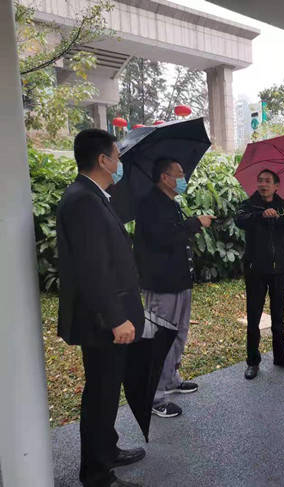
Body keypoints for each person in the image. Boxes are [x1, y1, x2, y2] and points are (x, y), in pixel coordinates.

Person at [56, 129, 146, 487]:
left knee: (106, 390)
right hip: (103, 321)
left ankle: (107, 449)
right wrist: (116, 318)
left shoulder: (93, 195)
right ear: (102, 160)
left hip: (106, 317)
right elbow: (92, 268)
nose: (119, 163)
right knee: (101, 394)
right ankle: (96, 474)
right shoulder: (83, 200)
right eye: (117, 157)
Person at [134, 158, 216, 418]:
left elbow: (174, 232)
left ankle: (170, 379)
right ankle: (154, 397)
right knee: (160, 338)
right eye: (179, 174)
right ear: (165, 177)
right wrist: (196, 223)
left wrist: (192, 223)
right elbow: (164, 237)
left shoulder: (170, 203)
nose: (184, 178)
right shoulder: (150, 204)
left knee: (178, 333)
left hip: (178, 280)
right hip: (161, 284)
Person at [235, 169, 284, 380]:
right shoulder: (249, 205)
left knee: (278, 316)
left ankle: (281, 357)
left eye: (267, 181)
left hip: (280, 269)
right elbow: (240, 221)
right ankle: (253, 361)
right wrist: (260, 215)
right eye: (260, 180)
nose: (263, 184)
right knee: (253, 317)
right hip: (256, 270)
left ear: (276, 186)